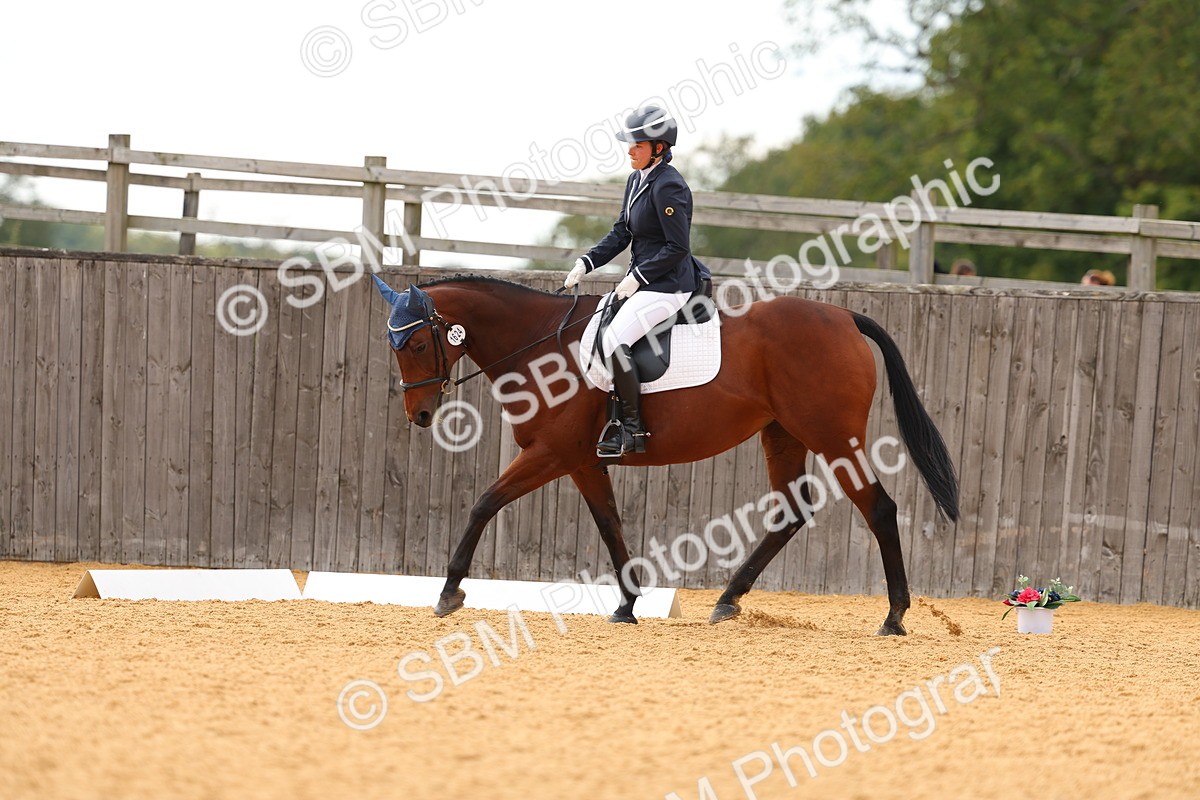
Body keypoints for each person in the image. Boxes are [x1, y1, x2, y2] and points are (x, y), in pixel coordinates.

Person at [563, 105, 711, 458]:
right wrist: (587, 261)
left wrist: (636, 278)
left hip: (671, 285)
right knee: (598, 330)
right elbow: (621, 232)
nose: (630, 150)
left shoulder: (670, 186)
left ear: (658, 148)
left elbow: (678, 248)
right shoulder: (636, 180)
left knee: (614, 341)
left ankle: (631, 429)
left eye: (638, 145)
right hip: (644, 282)